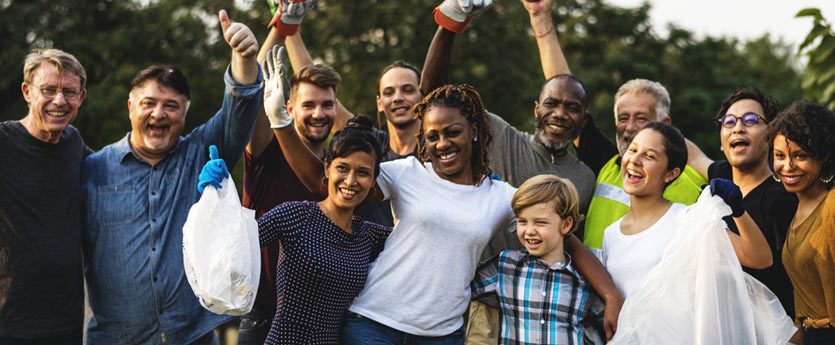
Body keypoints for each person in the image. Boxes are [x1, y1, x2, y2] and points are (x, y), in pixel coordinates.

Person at [272, 79, 616, 343]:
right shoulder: (406, 172)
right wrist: (281, 123)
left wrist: (611, 295)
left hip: (443, 333)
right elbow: (327, 183)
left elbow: (563, 237)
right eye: (432, 135)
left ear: (476, 133)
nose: (442, 144)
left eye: (453, 133)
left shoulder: (499, 196)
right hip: (374, 322)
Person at [418, 1, 620, 343]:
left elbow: (571, 242)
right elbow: (435, 95)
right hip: (478, 294)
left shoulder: (585, 178)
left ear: (583, 121)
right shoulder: (499, 135)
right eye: (552, 104)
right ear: (536, 109)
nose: (560, 114)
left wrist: (611, 294)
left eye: (572, 108)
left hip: (538, 304)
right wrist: (452, 23)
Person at [81, 11, 262, 345]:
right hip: (115, 337)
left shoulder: (201, 151)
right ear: (131, 107)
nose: (159, 114)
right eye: (148, 103)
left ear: (185, 112)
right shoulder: (93, 168)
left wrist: (244, 57)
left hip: (192, 336)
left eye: (171, 105)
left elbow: (241, 102)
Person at [196, 115, 391, 345]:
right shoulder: (295, 215)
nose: (350, 180)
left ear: (374, 179)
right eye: (342, 168)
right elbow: (232, 245)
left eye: (363, 172)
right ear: (327, 168)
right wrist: (215, 196)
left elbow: (420, 246)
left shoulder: (369, 236)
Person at [601, 122, 772, 298]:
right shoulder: (611, 234)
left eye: (649, 156)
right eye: (633, 150)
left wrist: (738, 211)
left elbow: (759, 258)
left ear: (671, 174)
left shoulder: (689, 220)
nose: (635, 160)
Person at [0, 48, 90, 344]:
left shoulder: (74, 143)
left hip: (65, 323)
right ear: (27, 91)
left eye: (69, 92)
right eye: (48, 90)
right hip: (8, 322)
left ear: (81, 97)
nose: (59, 101)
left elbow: (120, 175)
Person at [687, 88, 797, 317]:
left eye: (750, 120)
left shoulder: (784, 198)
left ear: (771, 134)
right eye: (729, 122)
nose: (738, 127)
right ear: (721, 141)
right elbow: (693, 155)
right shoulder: (722, 175)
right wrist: (649, 121)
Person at [471, 174, 604, 344]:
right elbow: (461, 287)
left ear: (565, 225)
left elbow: (610, 325)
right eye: (522, 221)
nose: (529, 231)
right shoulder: (505, 266)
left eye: (540, 223)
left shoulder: (583, 283)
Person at [581, 79, 707, 257]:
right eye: (623, 118)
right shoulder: (605, 164)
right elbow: (567, 98)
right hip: (590, 284)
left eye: (641, 118)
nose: (631, 127)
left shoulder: (697, 187)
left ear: (665, 124)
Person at [768, 100, 835, 345]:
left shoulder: (832, 205)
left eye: (800, 156)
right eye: (779, 156)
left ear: (824, 156)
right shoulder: (795, 208)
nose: (787, 166)